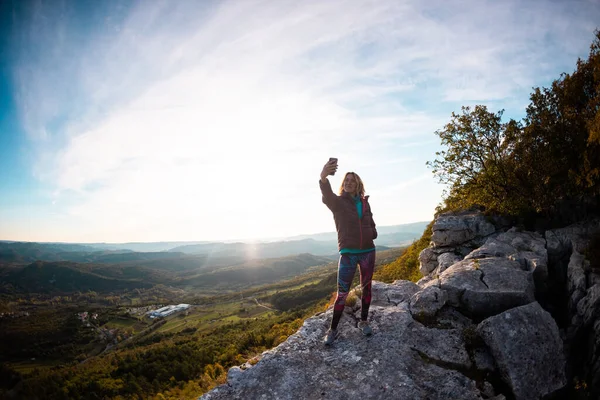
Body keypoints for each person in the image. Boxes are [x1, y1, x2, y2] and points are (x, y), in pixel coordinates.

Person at [319, 158, 377, 345]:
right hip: (348, 253)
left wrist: (372, 233)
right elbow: (327, 195)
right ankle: (333, 330)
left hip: (368, 251)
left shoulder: (365, 203)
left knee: (366, 288)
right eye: (346, 180)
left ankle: (364, 321)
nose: (348, 182)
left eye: (352, 180)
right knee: (342, 294)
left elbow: (370, 222)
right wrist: (323, 177)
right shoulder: (338, 203)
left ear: (358, 184)